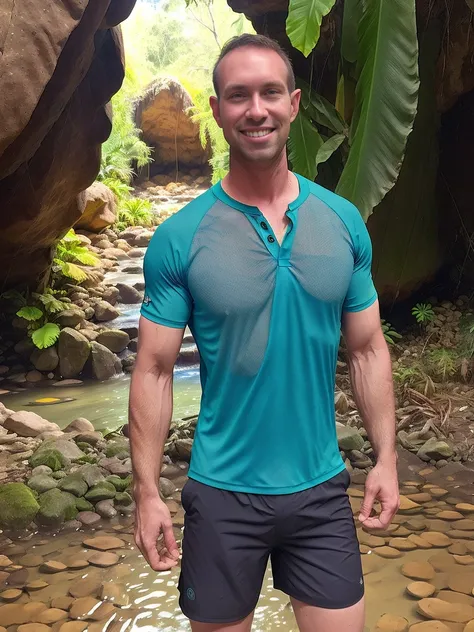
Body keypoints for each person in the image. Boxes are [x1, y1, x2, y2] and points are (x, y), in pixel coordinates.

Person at [130, 33, 400, 632]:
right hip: (223, 495)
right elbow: (152, 370)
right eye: (238, 96)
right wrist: (147, 492)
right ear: (219, 112)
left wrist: (385, 458)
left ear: (294, 103)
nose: (257, 109)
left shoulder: (342, 222)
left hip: (321, 492)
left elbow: (367, 348)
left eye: (270, 93)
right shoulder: (181, 238)